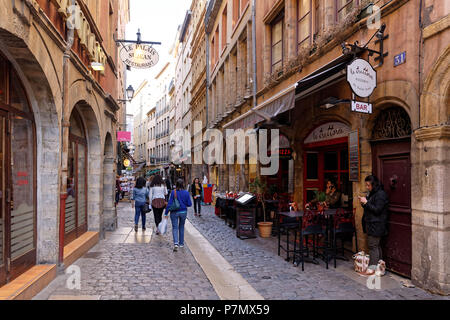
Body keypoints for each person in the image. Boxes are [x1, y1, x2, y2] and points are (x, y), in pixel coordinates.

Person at [359, 175, 389, 276]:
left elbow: (377, 210)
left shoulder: (381, 194)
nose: (367, 187)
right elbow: (369, 207)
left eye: (368, 185)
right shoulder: (373, 193)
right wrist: (363, 203)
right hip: (372, 223)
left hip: (377, 224)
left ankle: (371, 269)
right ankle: (379, 268)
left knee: (373, 246)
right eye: (366, 185)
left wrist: (366, 202)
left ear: (374, 184)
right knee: (376, 245)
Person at [164, 179, 192, 252]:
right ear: (183, 184)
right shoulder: (186, 193)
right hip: (183, 212)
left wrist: (166, 213)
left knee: (175, 227)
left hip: (174, 212)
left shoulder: (173, 192)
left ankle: (176, 243)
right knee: (182, 227)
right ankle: (181, 243)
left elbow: (169, 203)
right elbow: (189, 204)